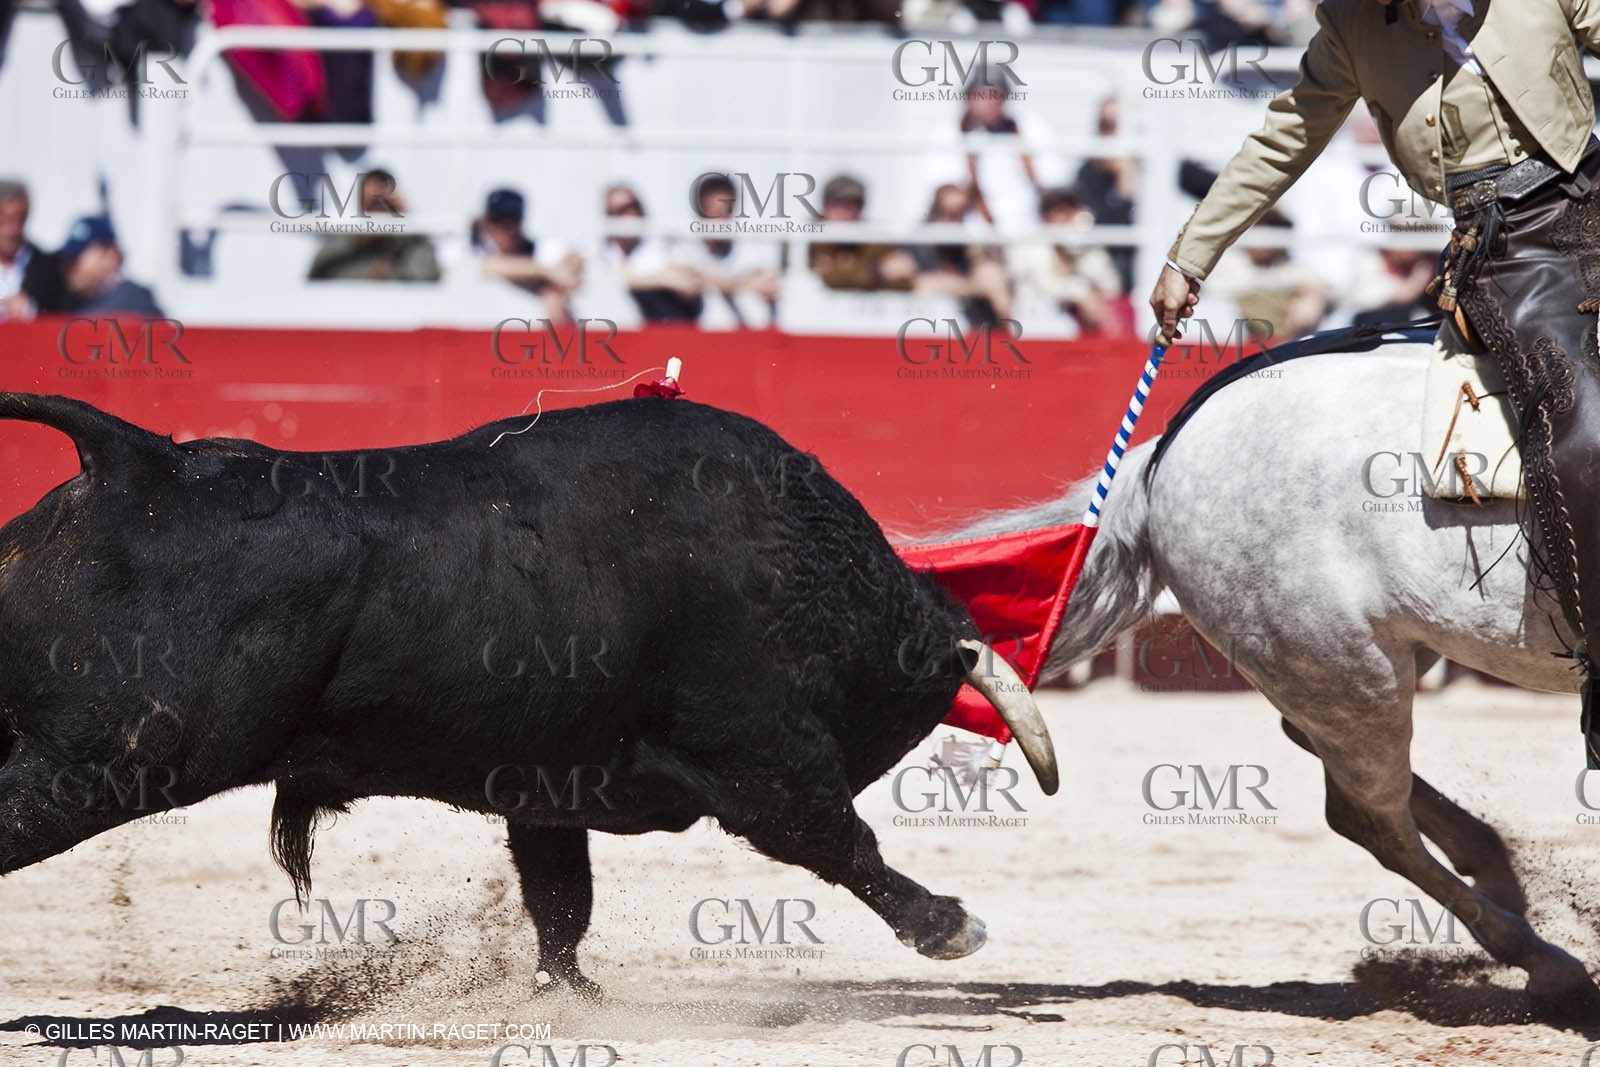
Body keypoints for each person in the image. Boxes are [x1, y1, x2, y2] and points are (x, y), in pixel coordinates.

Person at [1148, 0, 1600, 763]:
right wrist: (1191, 253)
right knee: (1581, 420)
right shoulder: (1356, 25)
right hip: (1512, 253)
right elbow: (1288, 131)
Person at [470, 188, 583, 323]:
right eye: (498, 221)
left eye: (511, 221)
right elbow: (489, 266)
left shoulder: (541, 249)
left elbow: (575, 261)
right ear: (487, 224)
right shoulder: (476, 249)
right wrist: (547, 271)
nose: (505, 229)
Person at [307, 169, 440, 282]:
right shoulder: (341, 243)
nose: (378, 217)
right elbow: (317, 276)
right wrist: (360, 241)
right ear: (361, 206)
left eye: (386, 205)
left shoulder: (411, 246)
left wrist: (408, 225)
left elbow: (426, 277)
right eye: (372, 205)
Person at [598, 183, 703, 323]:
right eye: (621, 210)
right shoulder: (603, 250)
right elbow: (614, 279)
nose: (630, 214)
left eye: (634, 206)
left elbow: (688, 284)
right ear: (609, 215)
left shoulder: (660, 245)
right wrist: (662, 278)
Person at [58, 215, 163, 316]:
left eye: (77, 258)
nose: (71, 268)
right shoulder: (66, 299)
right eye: (70, 260)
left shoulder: (134, 299)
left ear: (111, 256)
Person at [0, 180, 69, 321]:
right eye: (4, 220)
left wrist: (31, 311)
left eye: (20, 219)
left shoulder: (48, 268)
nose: (13, 230)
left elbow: (64, 316)